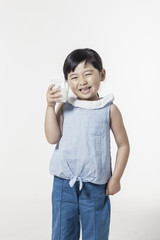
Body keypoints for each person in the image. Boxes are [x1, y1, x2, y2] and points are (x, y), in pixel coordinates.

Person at [44, 48, 130, 240]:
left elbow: (123, 145)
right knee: (62, 233)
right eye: (74, 77)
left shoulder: (109, 109)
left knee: (96, 233)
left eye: (88, 74)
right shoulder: (65, 106)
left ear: (102, 74)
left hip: (95, 185)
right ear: (67, 81)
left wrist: (115, 178)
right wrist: (50, 107)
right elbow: (52, 137)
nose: (82, 82)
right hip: (64, 184)